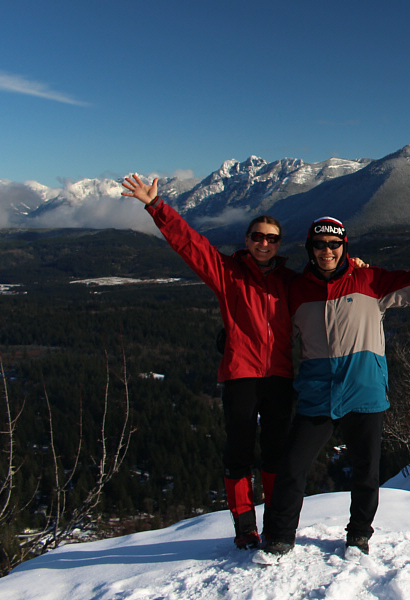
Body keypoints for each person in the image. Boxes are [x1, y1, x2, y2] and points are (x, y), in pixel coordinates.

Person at [259, 216, 410, 558]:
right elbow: (269, 325)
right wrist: (234, 339)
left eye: (334, 244)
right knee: (292, 467)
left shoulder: (369, 280)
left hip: (363, 392)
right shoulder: (297, 290)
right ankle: (280, 537)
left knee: (365, 472)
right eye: (319, 245)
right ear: (310, 248)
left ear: (344, 246)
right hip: (317, 394)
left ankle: (359, 536)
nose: (327, 251)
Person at [121, 174, 297, 549]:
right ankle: (245, 528)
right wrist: (156, 206)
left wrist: (355, 264)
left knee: (276, 455)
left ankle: (275, 525)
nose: (264, 243)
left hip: (280, 377)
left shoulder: (290, 282)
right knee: (239, 454)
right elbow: (190, 244)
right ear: (247, 240)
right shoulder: (229, 273)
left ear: (279, 244)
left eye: (271, 238)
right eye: (257, 236)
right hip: (241, 375)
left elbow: (329, 288)